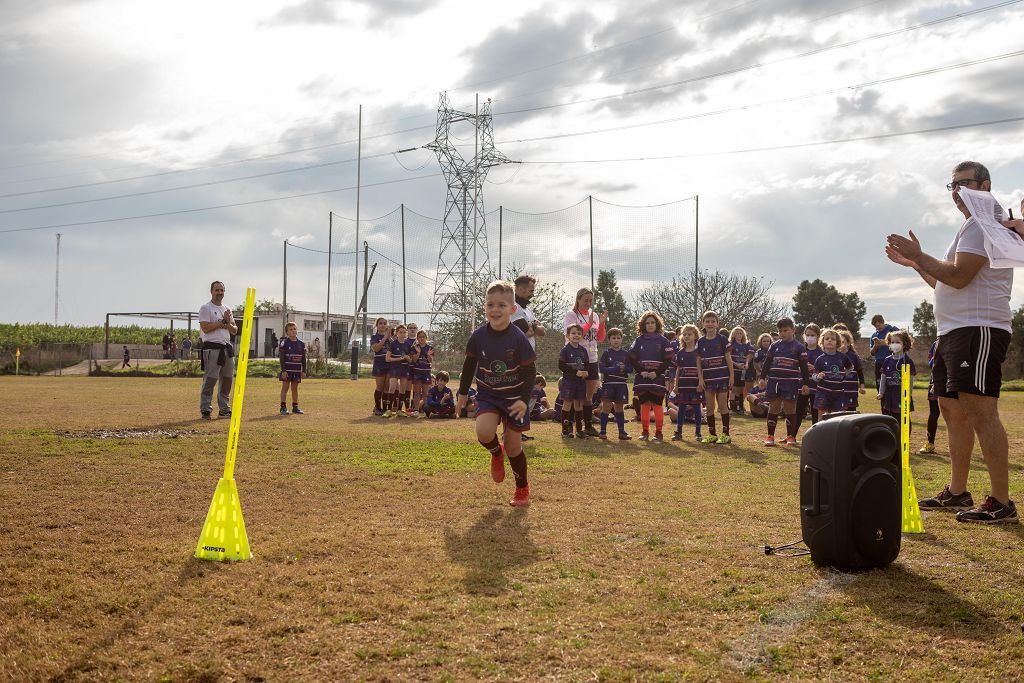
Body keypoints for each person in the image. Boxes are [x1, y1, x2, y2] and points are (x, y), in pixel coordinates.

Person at [887, 160, 1018, 523]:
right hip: (953, 332)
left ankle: (1001, 502)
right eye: (952, 185)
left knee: (981, 413)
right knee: (952, 413)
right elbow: (944, 283)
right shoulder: (968, 227)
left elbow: (959, 277)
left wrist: (919, 255)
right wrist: (918, 265)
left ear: (985, 184)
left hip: (978, 330)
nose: (957, 191)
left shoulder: (981, 225)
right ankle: (958, 491)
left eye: (965, 183)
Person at [456, 280, 537, 507]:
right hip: (489, 395)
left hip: (514, 398)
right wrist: (462, 394)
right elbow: (469, 365)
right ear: (485, 308)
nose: (495, 309)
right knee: (483, 432)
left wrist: (523, 400)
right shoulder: (478, 336)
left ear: (512, 310)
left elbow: (530, 372)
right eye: (490, 304)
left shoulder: (519, 338)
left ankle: (522, 488)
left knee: (514, 447)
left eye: (501, 305)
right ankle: (495, 453)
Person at [758, 317, 810, 447]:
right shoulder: (774, 345)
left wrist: (806, 383)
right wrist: (762, 378)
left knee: (790, 408)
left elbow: (804, 366)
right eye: (780, 331)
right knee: (774, 407)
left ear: (793, 330)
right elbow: (767, 363)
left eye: (785, 330)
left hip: (791, 382)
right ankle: (770, 436)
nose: (782, 333)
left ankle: (790, 436)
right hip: (774, 381)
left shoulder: (799, 347)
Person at [563, 287, 607, 437]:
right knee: (573, 397)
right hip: (575, 359)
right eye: (585, 300)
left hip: (592, 359)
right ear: (578, 299)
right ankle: (568, 427)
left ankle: (587, 426)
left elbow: (600, 338)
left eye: (590, 300)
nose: (588, 303)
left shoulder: (593, 315)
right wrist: (587, 325)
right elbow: (575, 335)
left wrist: (601, 324)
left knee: (588, 396)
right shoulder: (571, 315)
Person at [628, 310, 674, 441]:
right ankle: (645, 432)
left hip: (657, 378)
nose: (650, 325)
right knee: (645, 405)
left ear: (657, 324)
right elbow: (632, 358)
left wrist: (657, 372)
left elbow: (668, 359)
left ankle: (658, 433)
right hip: (642, 378)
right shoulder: (638, 340)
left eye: (653, 322)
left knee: (657, 404)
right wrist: (641, 371)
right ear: (643, 325)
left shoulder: (663, 340)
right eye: (647, 323)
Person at [198, 281, 237, 420]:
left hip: (227, 349)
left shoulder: (227, 309)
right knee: (210, 380)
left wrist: (228, 322)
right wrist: (224, 322)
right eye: (217, 290)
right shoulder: (205, 308)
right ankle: (206, 410)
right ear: (211, 291)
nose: (219, 293)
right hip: (212, 349)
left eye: (222, 290)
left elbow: (234, 330)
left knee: (227, 381)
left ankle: (224, 410)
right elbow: (206, 328)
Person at [695, 310, 734, 444]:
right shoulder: (700, 342)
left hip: (722, 378)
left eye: (713, 321)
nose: (710, 324)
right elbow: (698, 362)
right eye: (707, 321)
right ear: (703, 324)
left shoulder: (722, 339)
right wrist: (700, 379)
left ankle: (726, 434)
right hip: (708, 380)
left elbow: (729, 359)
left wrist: (731, 376)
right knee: (710, 407)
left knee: (723, 405)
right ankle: (712, 434)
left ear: (717, 323)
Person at [876, 329, 916, 428]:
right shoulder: (887, 360)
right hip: (889, 395)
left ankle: (905, 439)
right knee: (890, 418)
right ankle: (893, 439)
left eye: (898, 342)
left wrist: (909, 394)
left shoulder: (908, 361)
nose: (895, 344)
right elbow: (883, 377)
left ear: (904, 344)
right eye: (892, 342)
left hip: (902, 395)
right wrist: (881, 392)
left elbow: (911, 380)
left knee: (904, 419)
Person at [598, 327, 632, 440]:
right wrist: (613, 369)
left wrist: (624, 368)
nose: (616, 340)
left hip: (621, 384)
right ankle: (602, 431)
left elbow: (631, 369)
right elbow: (602, 368)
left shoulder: (626, 354)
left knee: (619, 407)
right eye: (613, 338)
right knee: (607, 406)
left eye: (618, 338)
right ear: (609, 340)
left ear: (622, 339)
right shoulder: (606, 353)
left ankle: (621, 432)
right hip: (609, 384)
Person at [672, 324, 704, 442]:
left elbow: (700, 369)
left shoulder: (698, 352)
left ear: (695, 336)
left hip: (695, 385)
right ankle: (679, 432)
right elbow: (678, 370)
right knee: (681, 408)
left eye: (689, 334)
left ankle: (698, 433)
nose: (686, 336)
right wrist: (676, 385)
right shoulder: (680, 353)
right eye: (684, 334)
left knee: (697, 408)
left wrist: (701, 382)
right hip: (683, 386)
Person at [559, 324, 591, 439]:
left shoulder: (583, 350)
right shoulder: (565, 350)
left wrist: (586, 371)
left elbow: (587, 364)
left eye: (578, 333)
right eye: (573, 333)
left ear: (582, 336)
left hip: (580, 383)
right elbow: (561, 366)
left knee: (578, 404)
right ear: (568, 335)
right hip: (569, 382)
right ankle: (565, 430)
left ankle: (579, 430)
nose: (576, 335)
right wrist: (575, 373)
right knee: (567, 403)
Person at [811, 329, 851, 419]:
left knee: (838, 417)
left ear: (838, 343)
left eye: (833, 339)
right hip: (823, 392)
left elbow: (850, 367)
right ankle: (821, 432)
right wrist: (818, 377)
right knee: (822, 416)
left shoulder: (843, 357)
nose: (829, 340)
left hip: (839, 393)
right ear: (822, 342)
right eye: (827, 339)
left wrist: (844, 374)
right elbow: (813, 377)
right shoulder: (820, 359)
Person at [795, 323, 823, 434]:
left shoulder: (822, 352)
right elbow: (793, 365)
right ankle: (792, 435)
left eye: (812, 335)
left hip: (817, 387)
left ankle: (815, 436)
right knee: (798, 412)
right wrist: (801, 367)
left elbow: (825, 369)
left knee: (815, 413)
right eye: (807, 335)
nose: (810, 337)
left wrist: (815, 368)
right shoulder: (799, 350)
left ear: (818, 336)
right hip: (801, 386)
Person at [385, 325, 417, 417]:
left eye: (404, 332)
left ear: (406, 333)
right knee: (392, 387)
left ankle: (399, 410)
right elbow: (387, 358)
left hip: (405, 368)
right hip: (395, 368)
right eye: (400, 332)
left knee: (403, 389)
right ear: (397, 333)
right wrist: (398, 359)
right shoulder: (393, 344)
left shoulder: (408, 345)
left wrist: (408, 358)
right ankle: (389, 410)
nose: (402, 334)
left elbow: (411, 360)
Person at [868, 314, 899, 400]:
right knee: (880, 389)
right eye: (875, 325)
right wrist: (876, 345)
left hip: (893, 362)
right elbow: (872, 352)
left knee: (893, 385)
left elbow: (900, 342)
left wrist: (883, 342)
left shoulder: (893, 330)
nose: (878, 327)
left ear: (883, 322)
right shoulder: (874, 336)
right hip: (879, 364)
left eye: (879, 324)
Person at [278, 322, 307, 415]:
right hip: (287, 370)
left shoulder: (301, 344)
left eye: (294, 329)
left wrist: (304, 371)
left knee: (295, 388)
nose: (293, 331)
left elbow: (303, 359)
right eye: (291, 329)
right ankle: (283, 407)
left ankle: (295, 407)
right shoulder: (284, 343)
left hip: (296, 370)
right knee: (285, 388)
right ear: (287, 332)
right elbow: (281, 358)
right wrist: (283, 371)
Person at [919, 339, 942, 454]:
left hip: (955, 381)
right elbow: (930, 363)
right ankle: (930, 443)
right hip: (937, 381)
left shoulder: (960, 339)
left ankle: (962, 446)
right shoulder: (936, 343)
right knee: (934, 413)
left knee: (958, 415)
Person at [728, 326, 754, 416]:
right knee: (733, 389)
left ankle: (740, 407)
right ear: (733, 335)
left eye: (740, 333)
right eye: (737, 333)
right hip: (734, 370)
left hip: (742, 370)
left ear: (743, 334)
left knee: (741, 389)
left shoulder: (746, 345)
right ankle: (733, 409)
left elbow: (749, 355)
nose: (739, 335)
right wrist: (736, 364)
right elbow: (728, 358)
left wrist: (746, 364)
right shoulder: (731, 344)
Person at [369, 318, 392, 416]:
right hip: (379, 363)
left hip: (389, 364)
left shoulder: (391, 338)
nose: (383, 325)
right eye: (380, 323)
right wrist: (384, 338)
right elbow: (376, 348)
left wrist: (390, 338)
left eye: (384, 323)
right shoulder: (374, 337)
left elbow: (395, 348)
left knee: (387, 386)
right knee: (380, 386)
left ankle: (385, 408)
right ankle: (377, 407)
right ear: (377, 325)